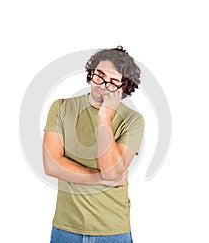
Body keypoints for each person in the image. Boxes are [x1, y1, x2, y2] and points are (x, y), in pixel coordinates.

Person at [43, 46, 145, 243]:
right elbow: (52, 164)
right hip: (65, 227)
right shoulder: (62, 107)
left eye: (113, 82)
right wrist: (101, 179)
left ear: (123, 88)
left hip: (112, 230)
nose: (103, 85)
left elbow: (112, 172)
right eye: (99, 75)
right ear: (91, 73)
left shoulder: (133, 120)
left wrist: (105, 115)